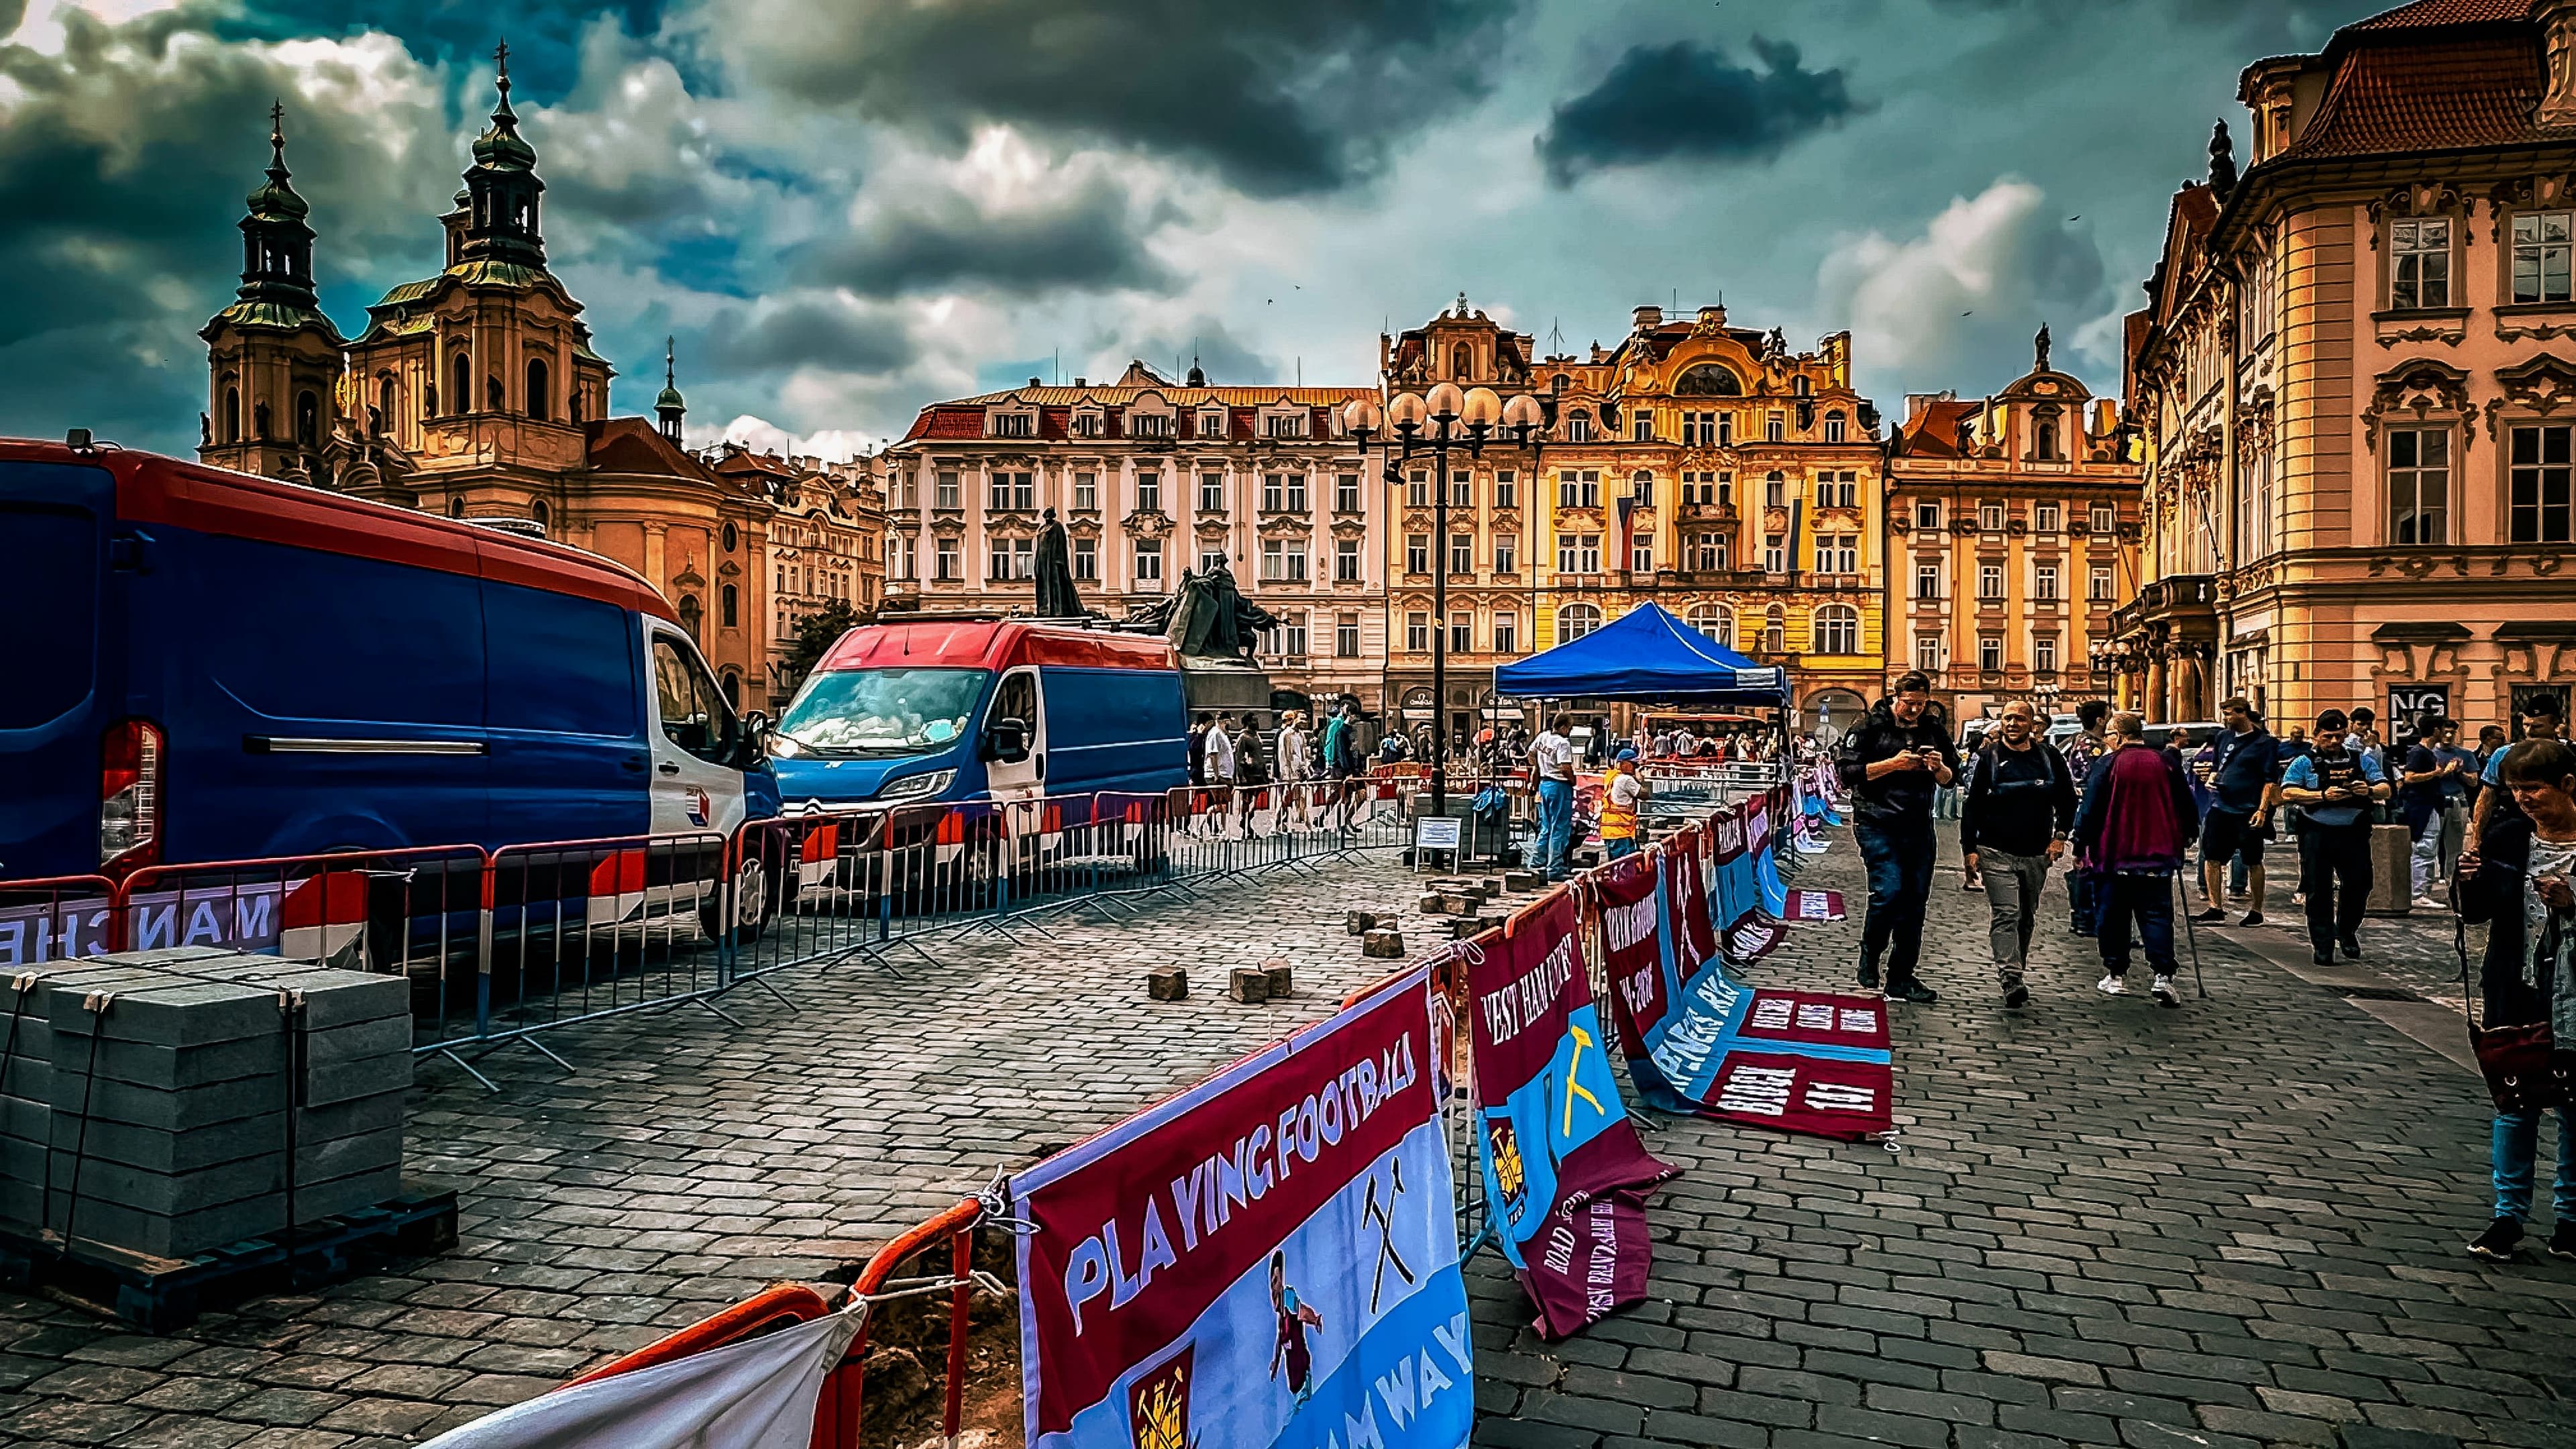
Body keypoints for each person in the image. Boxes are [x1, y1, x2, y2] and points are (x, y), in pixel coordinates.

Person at [2454, 739, 2576, 1263]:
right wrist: (2468, 884)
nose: (2523, 799)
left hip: (2574, 990)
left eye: (2534, 789)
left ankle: (2570, 1220)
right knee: (2514, 1103)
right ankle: (2508, 1217)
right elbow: (2477, 914)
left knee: (2575, 1107)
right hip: (2515, 984)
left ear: (2568, 786)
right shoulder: (2508, 836)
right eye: (2516, 789)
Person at [1835, 671, 1958, 1004]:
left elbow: (1952, 778)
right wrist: (1893, 764)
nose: (1915, 710)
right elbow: (1847, 774)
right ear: (1895, 697)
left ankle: (1902, 976)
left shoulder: (1933, 729)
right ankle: (1870, 955)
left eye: (1921, 704)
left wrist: (1938, 768)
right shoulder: (1868, 728)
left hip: (1918, 825)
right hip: (1876, 822)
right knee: (1888, 891)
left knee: (1915, 902)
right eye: (1909, 704)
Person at [2072, 712, 2199, 1007]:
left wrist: (2080, 845)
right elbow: (2186, 802)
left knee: (2112, 915)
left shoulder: (2109, 762)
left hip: (2114, 855)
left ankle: (2116, 974)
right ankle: (2163, 976)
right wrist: (2187, 836)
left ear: (2117, 735)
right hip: (2157, 857)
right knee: (2156, 916)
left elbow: (2090, 809)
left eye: (2109, 737)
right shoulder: (2165, 762)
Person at [1957, 699, 2076, 1008]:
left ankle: (2016, 970)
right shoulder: (1989, 757)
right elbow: (1973, 806)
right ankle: (2010, 977)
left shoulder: (2049, 757)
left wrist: (2060, 836)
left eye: (2019, 719)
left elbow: (2067, 800)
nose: (2013, 724)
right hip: (1995, 850)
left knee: (2025, 917)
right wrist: (1969, 849)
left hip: (2036, 853)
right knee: (2007, 913)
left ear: (2031, 724)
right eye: (2008, 719)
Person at [2279, 709, 2389, 966]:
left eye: (2339, 737)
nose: (2334, 742)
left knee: (2360, 884)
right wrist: (2322, 796)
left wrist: (2369, 790)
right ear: (2316, 736)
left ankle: (2347, 929)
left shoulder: (2360, 760)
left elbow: (2386, 787)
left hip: (2353, 831)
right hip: (2317, 831)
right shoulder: (2305, 761)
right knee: (2318, 889)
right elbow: (2288, 792)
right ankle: (2323, 944)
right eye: (2328, 737)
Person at [2195, 697, 2281, 928]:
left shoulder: (2265, 744)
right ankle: (2215, 906)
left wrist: (2263, 810)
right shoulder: (2223, 737)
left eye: (2231, 713)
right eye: (2224, 713)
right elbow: (2217, 766)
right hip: (2220, 806)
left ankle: (2256, 909)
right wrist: (2211, 777)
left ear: (2244, 713)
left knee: (2253, 859)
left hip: (2248, 808)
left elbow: (2270, 781)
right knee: (2212, 856)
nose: (2227, 718)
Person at [2475, 694, 2566, 845]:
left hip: (2559, 833)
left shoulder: (2569, 753)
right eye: (2526, 725)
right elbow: (2486, 799)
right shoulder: (2504, 754)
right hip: (2513, 829)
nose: (2530, 731)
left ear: (2555, 725)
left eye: (2537, 726)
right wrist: (2476, 839)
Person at [2060, 700, 2114, 936]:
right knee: (2090, 866)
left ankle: (2083, 916)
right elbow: (2100, 780)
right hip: (2094, 810)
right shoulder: (2096, 747)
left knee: (2086, 864)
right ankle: (2086, 916)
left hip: (2083, 808)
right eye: (2108, 716)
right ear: (2101, 720)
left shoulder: (2077, 740)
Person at [2398, 714, 2461, 908]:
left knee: (2428, 846)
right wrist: (2437, 773)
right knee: (2424, 847)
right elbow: (2410, 777)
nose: (2446, 733)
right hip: (2421, 805)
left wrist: (2444, 772)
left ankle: (2421, 890)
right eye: (2442, 729)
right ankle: (2418, 893)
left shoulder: (2427, 752)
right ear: (2435, 730)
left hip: (2430, 804)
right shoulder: (2419, 752)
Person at [1529, 714, 1578, 881]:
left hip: (1545, 785)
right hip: (1559, 786)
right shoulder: (1563, 743)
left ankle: (1536, 865)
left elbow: (1531, 755)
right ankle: (1554, 868)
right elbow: (1565, 768)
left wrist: (1539, 768)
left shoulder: (1542, 736)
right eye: (1569, 728)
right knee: (1559, 829)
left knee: (1546, 827)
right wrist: (1573, 780)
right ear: (1564, 727)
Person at [1600, 749, 1647, 859]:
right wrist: (1640, 779)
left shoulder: (1611, 775)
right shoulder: (1626, 779)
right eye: (1634, 765)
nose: (1635, 768)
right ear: (1625, 763)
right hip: (1622, 831)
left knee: (1616, 867)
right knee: (1626, 868)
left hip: (1610, 830)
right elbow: (1645, 795)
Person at [1206, 712, 1239, 786]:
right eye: (1229, 721)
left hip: (1225, 775)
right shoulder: (1215, 733)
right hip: (1219, 777)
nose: (1231, 724)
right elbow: (1213, 754)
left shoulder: (1223, 734)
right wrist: (1217, 775)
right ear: (1224, 721)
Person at [1188, 712, 1212, 787]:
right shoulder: (1196, 736)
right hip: (1197, 771)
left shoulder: (1206, 735)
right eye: (1210, 723)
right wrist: (1200, 735)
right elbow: (1195, 749)